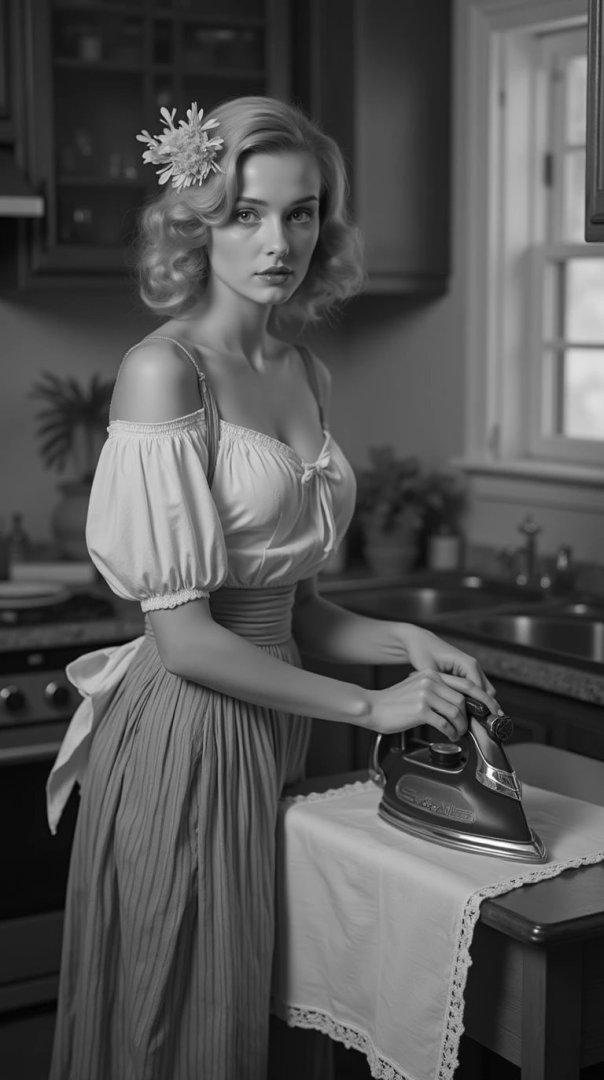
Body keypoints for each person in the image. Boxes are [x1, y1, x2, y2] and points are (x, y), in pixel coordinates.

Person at [47, 95, 500, 1080]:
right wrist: (374, 703)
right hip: (184, 731)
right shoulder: (165, 373)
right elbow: (188, 641)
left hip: (275, 723)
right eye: (248, 212)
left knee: (253, 1004)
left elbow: (292, 608)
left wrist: (404, 645)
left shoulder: (304, 373)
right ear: (197, 219)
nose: (277, 240)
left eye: (301, 214)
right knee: (176, 1013)